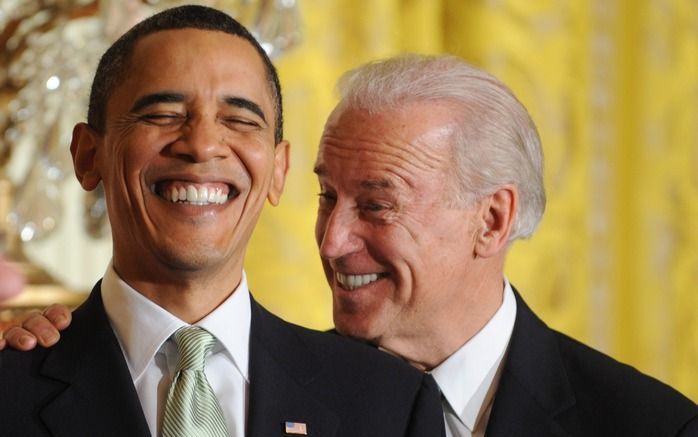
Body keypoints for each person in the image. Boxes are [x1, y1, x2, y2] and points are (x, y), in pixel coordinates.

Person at [7, 54, 698, 436]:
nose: (332, 241)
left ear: (492, 221)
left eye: (376, 205)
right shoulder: (285, 380)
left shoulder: (647, 426)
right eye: (326, 196)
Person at [0, 6, 445, 437]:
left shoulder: (388, 401)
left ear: (278, 170)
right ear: (87, 155)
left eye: (239, 119)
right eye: (163, 115)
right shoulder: (11, 383)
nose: (203, 145)